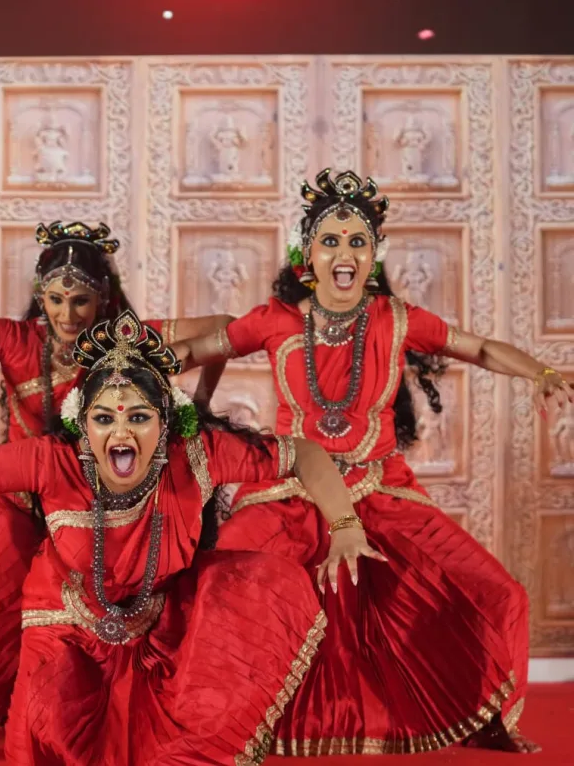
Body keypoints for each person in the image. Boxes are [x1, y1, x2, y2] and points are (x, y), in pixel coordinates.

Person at [177, 169, 574, 755]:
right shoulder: (276, 320)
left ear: (373, 254)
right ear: (307, 255)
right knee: (224, 586)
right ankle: (217, 723)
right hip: (289, 494)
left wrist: (540, 372)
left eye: (357, 241)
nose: (344, 253)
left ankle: (478, 713)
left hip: (380, 488)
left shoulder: (397, 319)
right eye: (330, 241)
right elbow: (199, 348)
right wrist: (128, 371)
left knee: (495, 593)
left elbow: (481, 347)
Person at [0, 310, 377, 765]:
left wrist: (345, 528)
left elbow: (303, 454)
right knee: (49, 736)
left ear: (165, 422)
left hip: (161, 622)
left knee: (261, 592)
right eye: (104, 419)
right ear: (82, 424)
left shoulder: (198, 454)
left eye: (139, 418)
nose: (121, 433)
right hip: (67, 621)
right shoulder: (54, 459)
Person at [0, 221, 231, 725]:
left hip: (91, 511)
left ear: (104, 298)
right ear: (40, 296)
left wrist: (195, 400)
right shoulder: (16, 339)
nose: (66, 314)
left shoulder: (125, 339)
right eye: (55, 299)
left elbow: (223, 327)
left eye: (80, 301)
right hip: (21, 500)